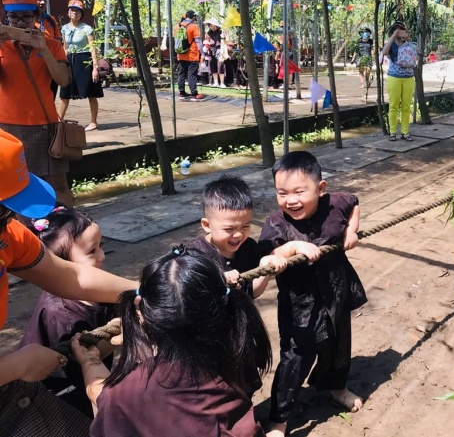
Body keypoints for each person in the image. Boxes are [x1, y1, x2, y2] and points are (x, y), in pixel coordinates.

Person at [0, 131, 137, 434]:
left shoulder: (8, 236)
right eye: (4, 210)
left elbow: (71, 275)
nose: (12, 221)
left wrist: (144, 291)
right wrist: (14, 366)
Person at [72, 249, 271, 436]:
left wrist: (90, 362)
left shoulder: (124, 394)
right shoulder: (235, 357)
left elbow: (105, 397)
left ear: (142, 313)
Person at [259, 151, 367, 437]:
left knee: (339, 345)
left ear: (320, 189)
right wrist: (292, 247)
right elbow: (268, 255)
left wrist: (351, 231)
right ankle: (279, 420)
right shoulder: (276, 224)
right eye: (282, 193)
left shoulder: (334, 204)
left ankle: (336, 387)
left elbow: (354, 202)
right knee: (295, 358)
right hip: (300, 305)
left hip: (336, 291)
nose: (290, 200)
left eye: (299, 192)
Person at [19, 206, 115, 418]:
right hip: (60, 394)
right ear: (61, 266)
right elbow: (77, 366)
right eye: (91, 251)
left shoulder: (102, 287)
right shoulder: (60, 313)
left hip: (90, 376)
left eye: (101, 246)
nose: (102, 256)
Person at [0, 0, 72, 207]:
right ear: (6, 17)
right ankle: (23, 227)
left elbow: (63, 80)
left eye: (26, 16)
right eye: (14, 17)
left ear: (36, 16)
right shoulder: (2, 45)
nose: (20, 23)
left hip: (45, 125)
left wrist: (44, 50)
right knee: (14, 189)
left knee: (59, 185)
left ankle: (67, 226)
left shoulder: (52, 45)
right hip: (7, 127)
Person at [184, 175, 287, 299]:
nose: (238, 234)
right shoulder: (193, 254)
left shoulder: (249, 247)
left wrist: (264, 266)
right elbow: (184, 294)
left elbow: (252, 292)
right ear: (207, 225)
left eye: (245, 226)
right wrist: (219, 281)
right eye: (229, 229)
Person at [57, 0, 103, 132]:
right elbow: (65, 47)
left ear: (81, 14)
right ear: (68, 12)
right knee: (65, 92)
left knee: (91, 92)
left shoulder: (87, 29)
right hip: (69, 60)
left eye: (77, 11)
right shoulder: (64, 28)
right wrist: (62, 64)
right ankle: (58, 121)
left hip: (84, 60)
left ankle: (93, 122)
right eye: (72, 10)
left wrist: (95, 68)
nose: (74, 12)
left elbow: (92, 48)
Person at [381, 20, 416, 142]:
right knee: (393, 105)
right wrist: (393, 37)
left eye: (401, 29)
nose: (398, 31)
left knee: (406, 106)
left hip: (409, 78)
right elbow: (384, 52)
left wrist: (407, 38)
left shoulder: (409, 43)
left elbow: (414, 53)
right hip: (394, 77)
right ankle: (392, 132)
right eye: (396, 29)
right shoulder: (390, 43)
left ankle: (405, 132)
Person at [32, 0, 62, 99]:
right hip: (32, 67)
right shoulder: (24, 21)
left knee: (50, 98)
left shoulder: (51, 20)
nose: (42, 2)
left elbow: (58, 42)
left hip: (50, 66)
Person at [175, 10, 204, 101]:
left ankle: (181, 92)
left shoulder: (177, 26)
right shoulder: (194, 26)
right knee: (192, 75)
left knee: (181, 74)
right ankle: (194, 94)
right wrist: (202, 53)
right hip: (192, 55)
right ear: (193, 17)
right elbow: (198, 41)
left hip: (181, 54)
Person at [203, 18, 225, 87]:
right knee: (212, 67)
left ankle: (222, 82)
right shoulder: (208, 33)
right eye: (211, 26)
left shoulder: (221, 32)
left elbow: (223, 41)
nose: (212, 27)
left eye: (214, 26)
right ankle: (216, 82)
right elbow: (206, 41)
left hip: (219, 49)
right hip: (211, 50)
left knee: (220, 66)